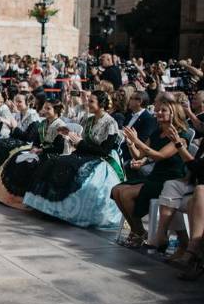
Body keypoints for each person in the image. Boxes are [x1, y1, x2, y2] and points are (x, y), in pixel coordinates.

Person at [23, 91, 123, 228]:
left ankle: (66, 210)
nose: (88, 103)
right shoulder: (88, 120)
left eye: (92, 101)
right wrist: (69, 135)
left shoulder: (110, 123)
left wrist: (80, 143)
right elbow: (79, 141)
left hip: (101, 158)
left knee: (71, 167)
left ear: (102, 104)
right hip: (85, 153)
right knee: (55, 161)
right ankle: (50, 207)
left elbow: (104, 151)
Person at [111, 98, 192, 248]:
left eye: (163, 110)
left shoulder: (181, 135)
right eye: (158, 110)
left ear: (174, 113)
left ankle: (139, 232)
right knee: (116, 190)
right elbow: (139, 155)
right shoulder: (158, 132)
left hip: (171, 179)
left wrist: (137, 140)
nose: (158, 113)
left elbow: (159, 155)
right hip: (156, 176)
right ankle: (138, 231)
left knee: (126, 194)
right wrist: (131, 144)